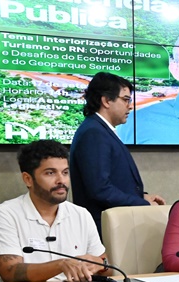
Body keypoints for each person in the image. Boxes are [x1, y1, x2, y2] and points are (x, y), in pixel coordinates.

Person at [0, 140, 108, 282]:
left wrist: (101, 265)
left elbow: (108, 268)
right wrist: (61, 265)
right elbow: (10, 273)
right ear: (28, 179)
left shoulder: (81, 214)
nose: (61, 180)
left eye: (65, 172)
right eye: (50, 173)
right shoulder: (4, 215)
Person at [70, 72, 165, 236]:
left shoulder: (100, 130)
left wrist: (141, 197)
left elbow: (114, 182)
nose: (130, 106)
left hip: (115, 226)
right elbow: (100, 189)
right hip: (104, 229)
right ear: (106, 100)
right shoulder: (94, 133)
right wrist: (141, 204)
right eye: (126, 99)